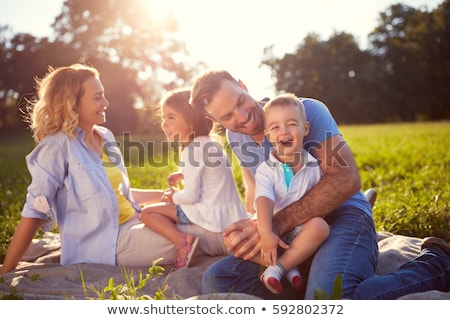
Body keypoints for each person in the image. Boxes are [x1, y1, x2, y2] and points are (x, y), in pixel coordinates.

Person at [190, 69, 450, 299]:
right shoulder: (236, 136)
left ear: (243, 85)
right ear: (216, 122)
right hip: (291, 232)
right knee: (219, 279)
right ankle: (308, 281)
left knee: (328, 298)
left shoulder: (306, 111)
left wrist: (274, 224)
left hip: (341, 215)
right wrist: (253, 228)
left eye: (241, 101)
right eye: (228, 116)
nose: (243, 116)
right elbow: (256, 189)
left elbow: (345, 179)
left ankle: (437, 265)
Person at [0, 64, 225, 275]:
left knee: (212, 216)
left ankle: (252, 232)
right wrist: (7, 269)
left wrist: (169, 197)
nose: (106, 103)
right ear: (73, 104)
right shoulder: (55, 148)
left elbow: (118, 194)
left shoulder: (105, 136)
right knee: (202, 234)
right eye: (97, 98)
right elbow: (35, 212)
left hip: (137, 221)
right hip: (109, 243)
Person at [139, 88, 248, 270]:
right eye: (164, 118)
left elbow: (190, 196)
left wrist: (172, 197)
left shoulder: (191, 150)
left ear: (191, 122)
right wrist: (182, 174)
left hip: (209, 214)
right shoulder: (210, 144)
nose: (164, 124)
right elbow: (207, 173)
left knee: (147, 213)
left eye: (171, 118)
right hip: (231, 213)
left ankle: (182, 242)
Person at [248, 93, 329, 294]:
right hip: (271, 226)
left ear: (306, 128)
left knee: (321, 227)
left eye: (291, 124)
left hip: (298, 230)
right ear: (267, 134)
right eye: (275, 127)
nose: (284, 131)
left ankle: (278, 268)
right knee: (236, 239)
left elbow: (319, 202)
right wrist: (266, 233)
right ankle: (291, 266)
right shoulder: (266, 169)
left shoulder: (313, 167)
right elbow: (264, 200)